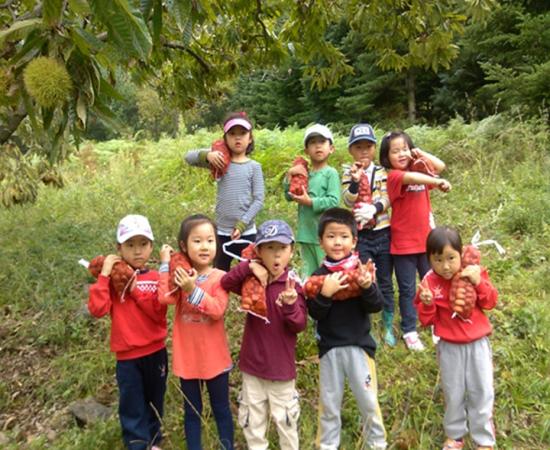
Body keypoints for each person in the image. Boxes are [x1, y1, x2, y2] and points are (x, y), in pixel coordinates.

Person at [221, 219, 307, 450]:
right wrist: (248, 266)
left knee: (285, 421)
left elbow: (299, 324)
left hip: (281, 371)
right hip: (252, 368)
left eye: (281, 248)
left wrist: (290, 305)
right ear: (259, 251)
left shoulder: (294, 286)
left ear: (291, 251)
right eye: (269, 248)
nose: (276, 255)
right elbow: (226, 282)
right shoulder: (252, 282)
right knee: (253, 422)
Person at [307, 208, 387, 450]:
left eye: (343, 236)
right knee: (329, 403)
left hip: (359, 347)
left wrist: (367, 287)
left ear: (354, 241)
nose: (337, 242)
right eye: (331, 236)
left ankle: (377, 443)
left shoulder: (361, 270)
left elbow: (376, 306)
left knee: (368, 400)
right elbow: (315, 313)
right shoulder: (319, 276)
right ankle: (328, 445)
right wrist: (325, 294)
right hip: (330, 349)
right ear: (321, 242)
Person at [88, 214, 167, 450]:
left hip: (156, 352)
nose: (137, 251)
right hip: (128, 358)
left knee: (155, 401)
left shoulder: (154, 278)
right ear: (119, 249)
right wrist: (104, 276)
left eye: (143, 244)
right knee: (132, 405)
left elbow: (158, 312)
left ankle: (153, 441)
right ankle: (136, 444)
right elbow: (98, 309)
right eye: (130, 245)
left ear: (151, 246)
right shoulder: (113, 282)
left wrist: (134, 288)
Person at [415, 226, 498, 450]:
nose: (446, 266)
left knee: (482, 389)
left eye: (451, 258)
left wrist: (479, 282)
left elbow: (490, 302)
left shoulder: (472, 273)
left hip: (478, 344)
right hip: (449, 346)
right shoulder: (429, 282)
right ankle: (455, 435)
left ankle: (483, 439)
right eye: (438, 259)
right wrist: (427, 302)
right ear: (429, 260)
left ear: (461, 254)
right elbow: (426, 320)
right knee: (453, 391)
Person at [158, 214, 233, 450]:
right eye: (197, 241)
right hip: (188, 359)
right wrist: (165, 266)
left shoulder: (220, 277)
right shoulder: (180, 277)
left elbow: (217, 310)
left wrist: (192, 290)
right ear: (183, 246)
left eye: (210, 240)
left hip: (215, 359)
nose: (204, 246)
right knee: (192, 412)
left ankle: (226, 446)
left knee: (221, 408)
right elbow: (163, 297)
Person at [379, 130, 452, 351]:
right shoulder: (394, 177)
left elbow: (440, 166)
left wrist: (421, 154)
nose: (401, 154)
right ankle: (409, 330)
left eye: (405, 149)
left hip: (427, 244)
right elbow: (412, 178)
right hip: (403, 245)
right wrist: (437, 182)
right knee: (408, 289)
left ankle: (436, 323)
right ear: (387, 157)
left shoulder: (421, 169)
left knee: (433, 284)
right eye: (395, 151)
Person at [185, 112, 265, 271]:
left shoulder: (254, 167)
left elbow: (259, 199)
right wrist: (207, 155)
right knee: (220, 275)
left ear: (250, 138)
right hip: (221, 232)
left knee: (249, 274)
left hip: (246, 232)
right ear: (225, 138)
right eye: (232, 134)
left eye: (242, 134)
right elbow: (188, 157)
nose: (237, 138)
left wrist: (242, 225)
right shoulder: (220, 162)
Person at [341, 123, 395, 346]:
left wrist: (375, 207)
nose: (363, 151)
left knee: (385, 279)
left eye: (368, 146)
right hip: (361, 236)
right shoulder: (347, 172)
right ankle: (367, 323)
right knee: (364, 278)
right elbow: (347, 199)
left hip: (383, 232)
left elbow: (390, 196)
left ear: (374, 148)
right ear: (351, 150)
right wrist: (354, 181)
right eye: (358, 147)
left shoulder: (383, 172)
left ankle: (388, 322)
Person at [284, 123, 340, 277]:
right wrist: (290, 176)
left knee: (325, 274)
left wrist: (310, 202)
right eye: (313, 143)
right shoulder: (303, 173)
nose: (318, 146)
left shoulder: (331, 173)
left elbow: (334, 201)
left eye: (322, 142)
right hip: (305, 234)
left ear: (331, 148)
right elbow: (288, 196)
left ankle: (325, 300)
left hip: (324, 235)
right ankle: (308, 301)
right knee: (307, 276)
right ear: (306, 150)